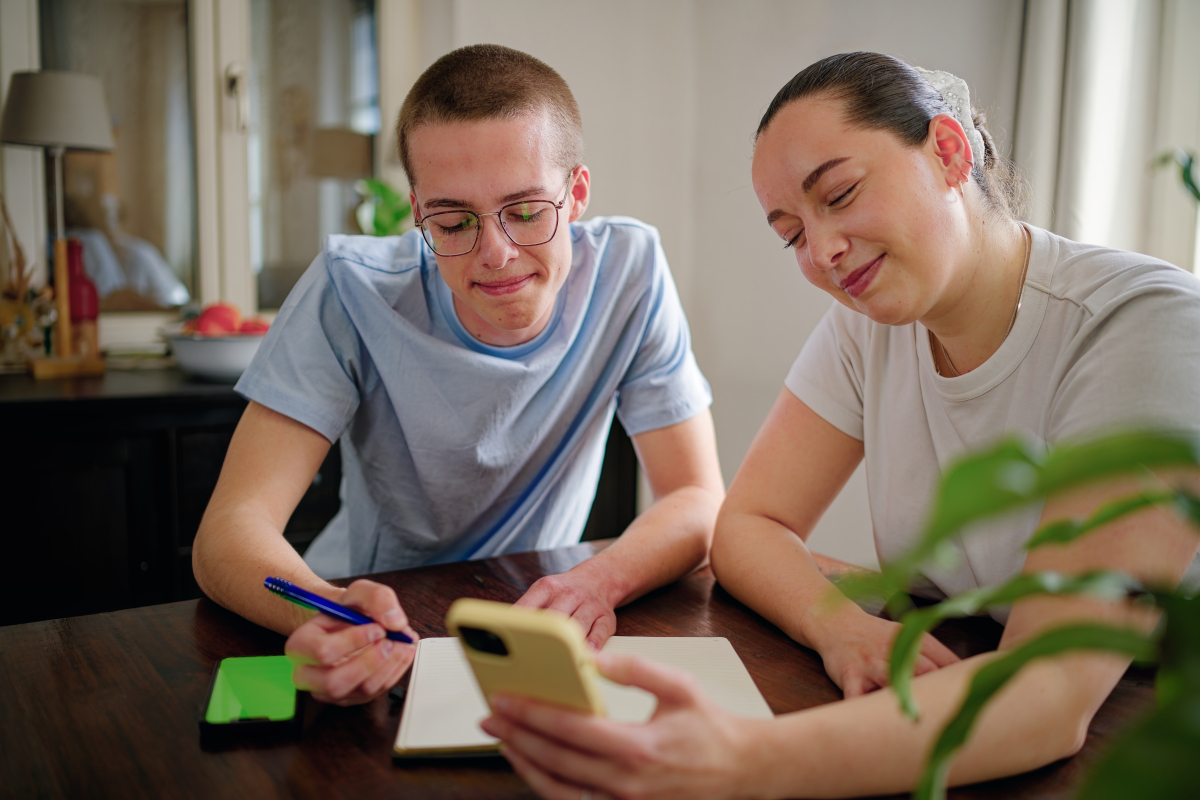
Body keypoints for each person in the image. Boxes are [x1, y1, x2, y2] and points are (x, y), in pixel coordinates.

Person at [482, 52, 1200, 798]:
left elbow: (1049, 693)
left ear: (949, 152)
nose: (822, 252)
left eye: (841, 194)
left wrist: (740, 761)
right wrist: (842, 628)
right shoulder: (872, 324)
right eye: (792, 233)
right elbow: (747, 525)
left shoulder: (1146, 326)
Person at [191, 44, 724, 707]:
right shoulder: (350, 289)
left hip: (540, 615)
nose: (496, 254)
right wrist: (323, 615)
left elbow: (697, 499)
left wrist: (599, 581)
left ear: (578, 193)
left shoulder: (631, 272)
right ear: (418, 213)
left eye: (526, 211)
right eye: (453, 221)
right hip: (372, 615)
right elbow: (228, 532)